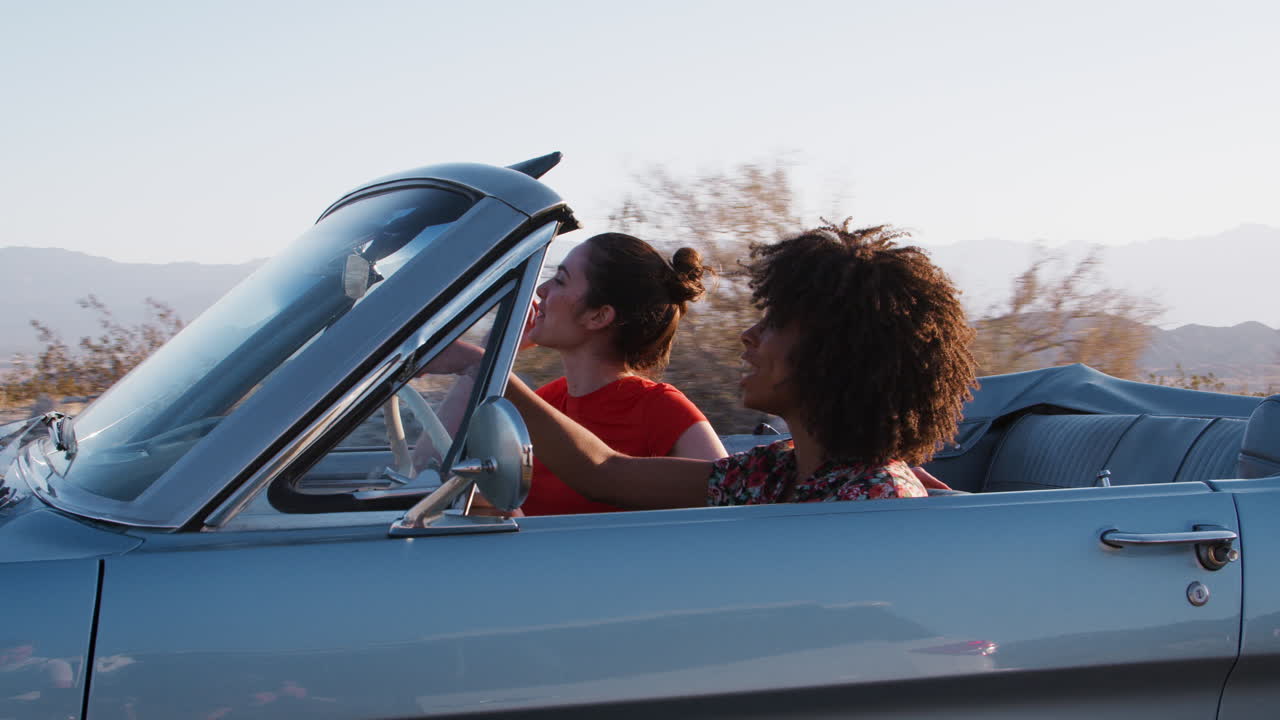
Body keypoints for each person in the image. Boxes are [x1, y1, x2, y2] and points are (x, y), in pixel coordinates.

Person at [503, 222, 978, 508]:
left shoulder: (874, 502)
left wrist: (492, 371)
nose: (749, 335)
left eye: (775, 324)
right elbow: (604, 472)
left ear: (835, 353)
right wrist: (490, 370)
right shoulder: (771, 474)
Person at [418, 232, 726, 515]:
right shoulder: (545, 403)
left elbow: (731, 510)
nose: (542, 290)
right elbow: (427, 471)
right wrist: (494, 350)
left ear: (598, 316)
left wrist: (479, 363)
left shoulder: (661, 409)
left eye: (561, 280)